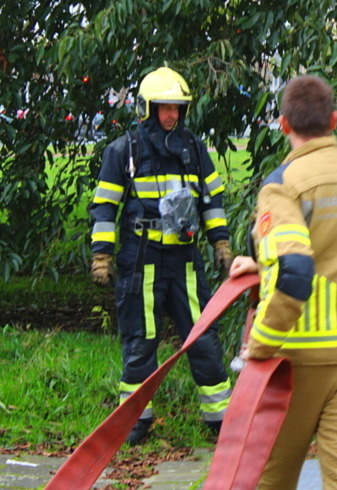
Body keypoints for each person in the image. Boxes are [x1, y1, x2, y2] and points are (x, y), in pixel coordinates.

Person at [229, 74, 337, 490]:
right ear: (334, 120)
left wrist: (261, 345)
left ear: (284, 124)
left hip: (299, 358)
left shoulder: (284, 185)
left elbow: (297, 271)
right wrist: (263, 266)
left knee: (270, 477)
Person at [89, 66, 235, 445]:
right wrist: (102, 255)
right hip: (142, 258)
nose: (172, 115)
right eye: (165, 107)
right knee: (141, 339)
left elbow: (211, 201)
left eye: (177, 108)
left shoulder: (194, 148)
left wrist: (220, 243)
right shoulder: (124, 150)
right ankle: (135, 421)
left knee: (203, 337)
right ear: (147, 108)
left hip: (185, 259)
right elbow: (104, 207)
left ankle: (221, 418)